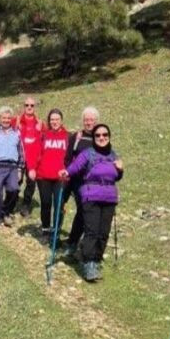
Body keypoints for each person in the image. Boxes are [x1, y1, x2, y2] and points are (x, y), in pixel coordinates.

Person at [60, 124, 123, 282]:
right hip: (91, 196)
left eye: (105, 135)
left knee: (103, 232)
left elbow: (115, 177)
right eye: (98, 135)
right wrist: (66, 172)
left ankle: (96, 259)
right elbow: (75, 167)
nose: (102, 138)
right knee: (92, 231)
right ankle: (88, 263)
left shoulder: (114, 155)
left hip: (109, 198)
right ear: (94, 138)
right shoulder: (88, 154)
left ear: (109, 137)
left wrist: (121, 170)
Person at [61, 106, 100, 256]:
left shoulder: (100, 138)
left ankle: (79, 242)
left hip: (94, 182)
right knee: (83, 210)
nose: (88, 122)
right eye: (86, 120)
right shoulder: (76, 137)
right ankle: (73, 243)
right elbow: (67, 159)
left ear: (96, 121)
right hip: (77, 181)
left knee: (88, 212)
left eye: (91, 120)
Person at [33, 109, 69, 238]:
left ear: (61, 120)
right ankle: (45, 229)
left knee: (59, 205)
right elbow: (36, 152)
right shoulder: (44, 135)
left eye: (57, 119)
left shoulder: (68, 136)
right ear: (49, 121)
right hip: (43, 176)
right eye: (52, 119)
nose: (54, 122)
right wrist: (33, 169)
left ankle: (56, 231)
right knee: (46, 203)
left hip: (61, 177)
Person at [12, 96, 45, 217]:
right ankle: (12, 201)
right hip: (18, 157)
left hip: (33, 160)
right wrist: (15, 127)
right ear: (23, 106)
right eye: (27, 105)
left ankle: (26, 205)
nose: (29, 107)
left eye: (32, 105)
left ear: (35, 107)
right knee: (16, 180)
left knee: (31, 183)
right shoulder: (16, 120)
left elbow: (47, 139)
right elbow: (4, 131)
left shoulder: (40, 123)